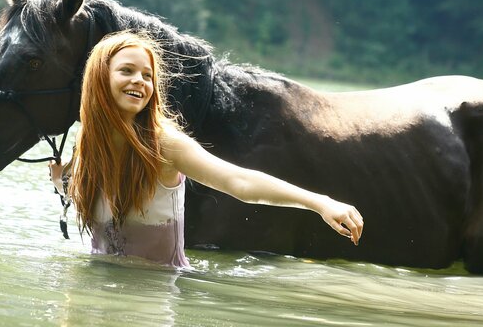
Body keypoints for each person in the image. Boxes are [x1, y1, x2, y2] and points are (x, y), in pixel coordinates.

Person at [50, 31, 363, 268]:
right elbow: (88, 197)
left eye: (148, 75)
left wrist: (319, 202)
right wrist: (63, 179)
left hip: (154, 299)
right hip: (96, 290)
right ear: (99, 79)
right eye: (127, 71)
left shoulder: (165, 145)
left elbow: (238, 182)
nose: (140, 81)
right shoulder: (88, 147)